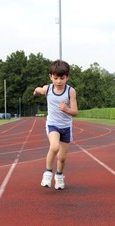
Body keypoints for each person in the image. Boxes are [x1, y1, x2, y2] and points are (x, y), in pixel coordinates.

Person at [33, 60, 78, 190]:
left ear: (67, 77)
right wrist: (36, 92)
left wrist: (66, 109)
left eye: (62, 78)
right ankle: (47, 173)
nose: (58, 81)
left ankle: (59, 176)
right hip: (53, 124)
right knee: (54, 146)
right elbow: (39, 90)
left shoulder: (70, 91)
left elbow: (75, 112)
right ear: (50, 77)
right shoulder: (48, 89)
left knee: (62, 158)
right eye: (56, 78)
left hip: (66, 127)